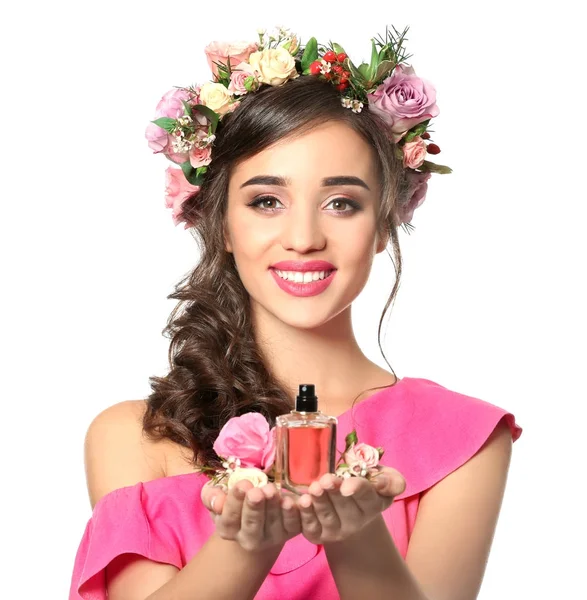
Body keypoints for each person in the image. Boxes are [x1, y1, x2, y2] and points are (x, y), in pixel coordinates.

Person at [69, 26, 523, 600]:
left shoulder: (464, 438)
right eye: (265, 201)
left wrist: (357, 538)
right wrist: (247, 543)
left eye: (342, 203)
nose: (304, 238)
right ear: (222, 223)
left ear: (384, 223)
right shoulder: (136, 438)